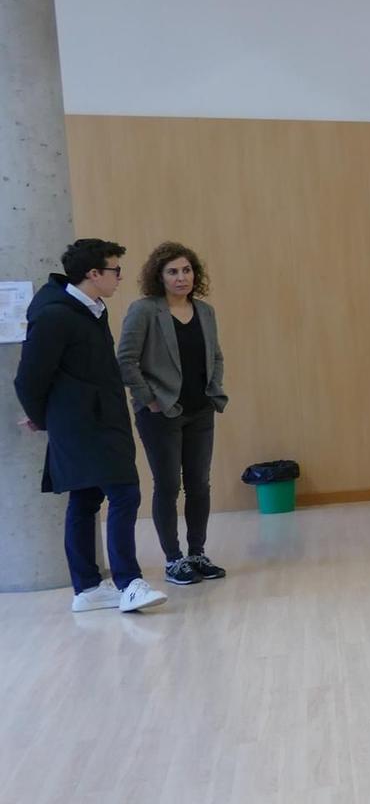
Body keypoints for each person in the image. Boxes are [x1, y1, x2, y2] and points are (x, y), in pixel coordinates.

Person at [12, 238, 166, 613]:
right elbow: (28, 379)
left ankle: (88, 589)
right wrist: (47, 418)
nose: (119, 278)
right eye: (114, 270)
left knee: (85, 498)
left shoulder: (92, 308)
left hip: (101, 418)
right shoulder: (54, 315)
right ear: (93, 274)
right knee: (125, 493)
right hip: (82, 426)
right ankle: (130, 584)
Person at [117, 242, 228, 586]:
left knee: (199, 484)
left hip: (200, 410)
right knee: (168, 484)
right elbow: (126, 360)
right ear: (159, 276)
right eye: (173, 272)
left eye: (187, 270)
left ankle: (197, 552)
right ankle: (173, 559)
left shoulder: (205, 311)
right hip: (160, 413)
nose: (182, 278)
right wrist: (149, 399)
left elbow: (216, 356)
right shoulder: (145, 310)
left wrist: (214, 390)